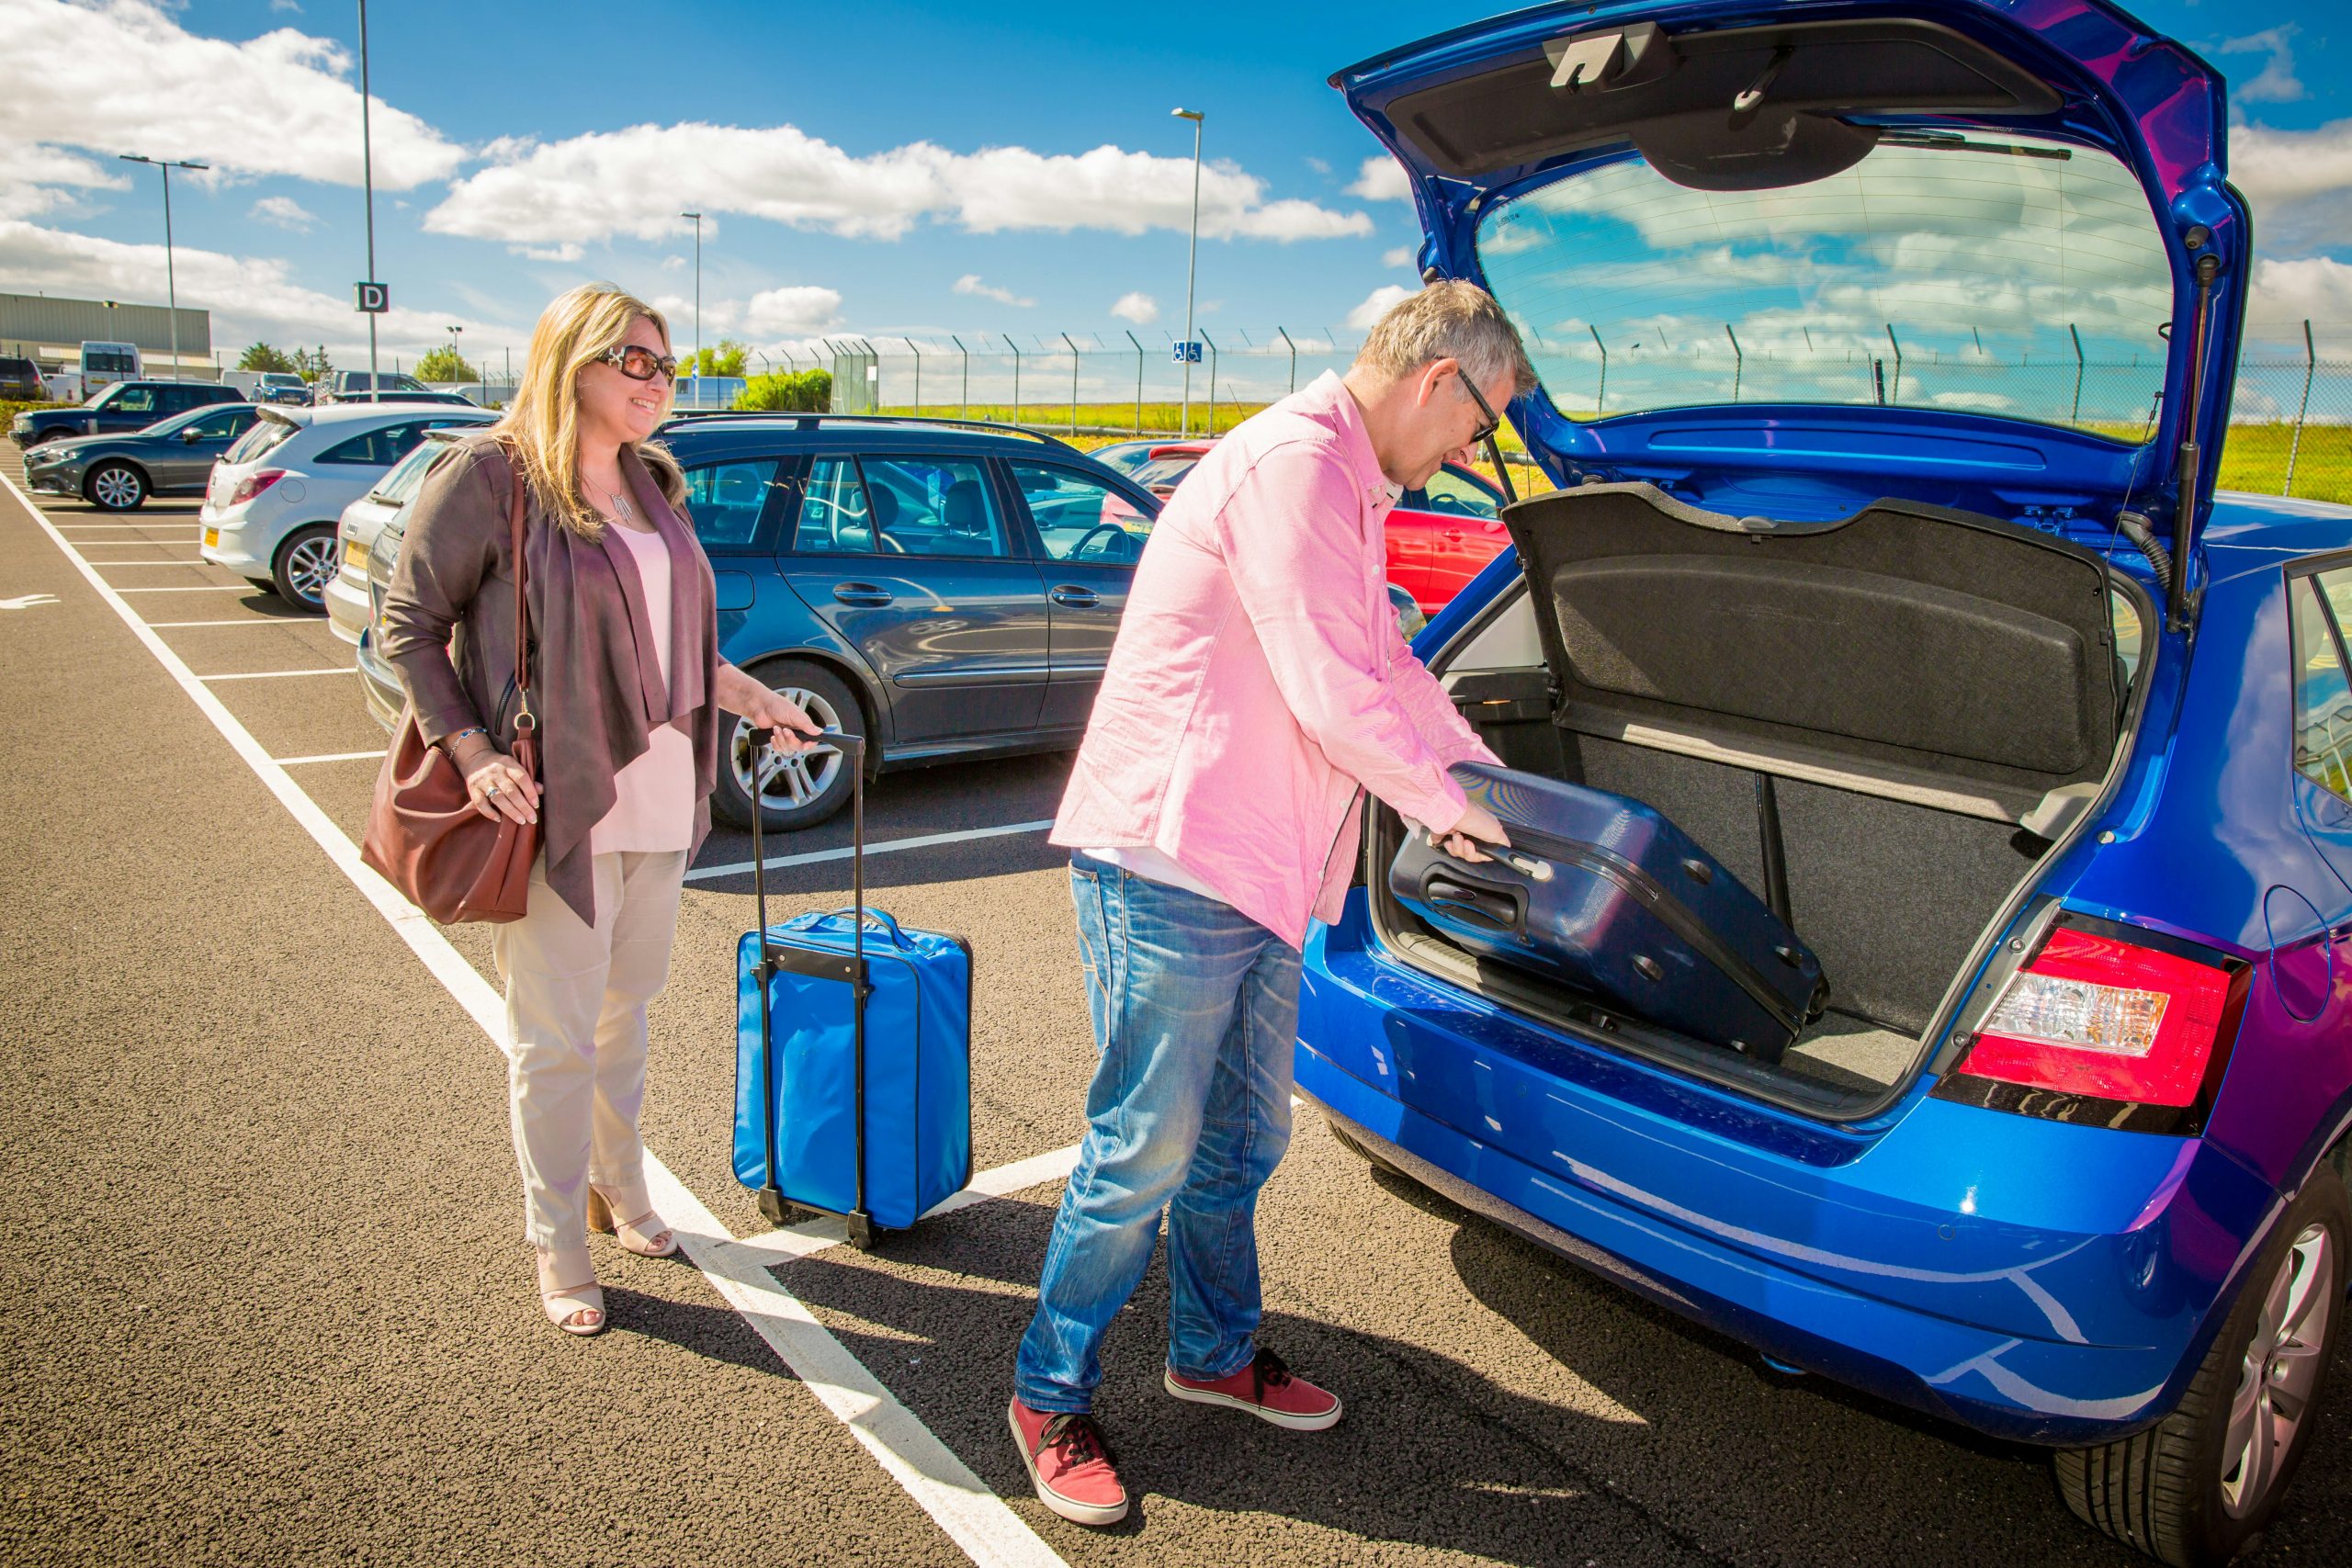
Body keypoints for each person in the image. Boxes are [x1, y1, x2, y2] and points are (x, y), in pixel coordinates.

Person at [1009, 281, 1537, 1524]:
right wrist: (1451, 809)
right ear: (1437, 379)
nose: (1472, 453)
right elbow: (1331, 690)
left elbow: (1388, 665)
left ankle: (1211, 1350)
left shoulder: (1351, 486)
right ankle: (1046, 1390)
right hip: (1171, 861)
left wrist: (1487, 776)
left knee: (1244, 1138)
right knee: (1144, 1146)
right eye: (1480, 425)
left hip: (1259, 869)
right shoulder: (1295, 466)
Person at [380, 283, 821, 1337]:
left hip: (664, 799)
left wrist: (756, 699)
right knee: (555, 1042)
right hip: (560, 809)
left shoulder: (652, 482)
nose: (657, 382)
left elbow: (678, 647)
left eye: (667, 364)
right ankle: (557, 1239)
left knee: (625, 1020)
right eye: (636, 360)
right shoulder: (490, 477)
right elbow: (408, 625)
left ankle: (618, 1185)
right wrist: (473, 751)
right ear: (571, 360)